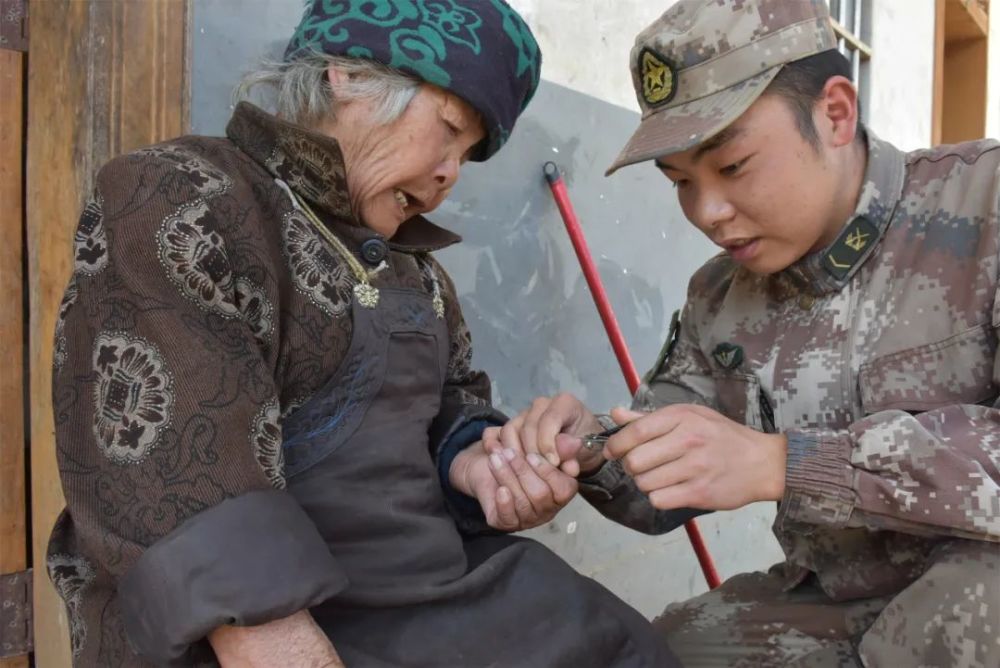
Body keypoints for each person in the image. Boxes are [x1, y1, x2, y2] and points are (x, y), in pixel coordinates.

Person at [46, 2, 678, 666]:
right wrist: (284, 646)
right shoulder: (184, 199)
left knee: (617, 643)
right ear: (350, 75)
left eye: (467, 156)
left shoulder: (416, 270)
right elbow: (177, 486)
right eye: (450, 129)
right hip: (274, 624)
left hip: (426, 599)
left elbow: (450, 404)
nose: (450, 175)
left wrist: (481, 463)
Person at [487, 0, 1000, 665]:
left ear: (835, 113)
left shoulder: (984, 203)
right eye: (680, 182)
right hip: (829, 603)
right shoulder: (719, 295)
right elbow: (664, 469)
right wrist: (587, 449)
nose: (708, 212)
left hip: (974, 598)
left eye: (732, 167)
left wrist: (786, 463)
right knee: (641, 654)